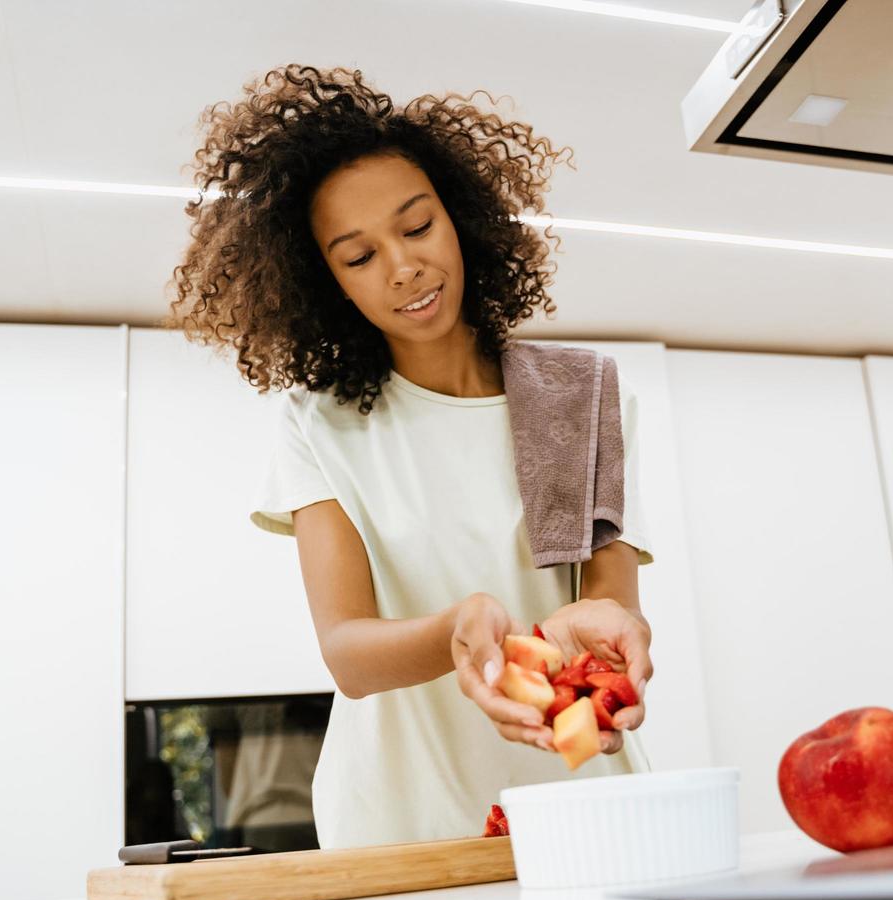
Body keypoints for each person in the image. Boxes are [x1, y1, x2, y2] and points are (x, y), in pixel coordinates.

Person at [163, 65, 656, 849]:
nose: (402, 267)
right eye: (358, 257)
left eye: (417, 227)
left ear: (460, 218)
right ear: (329, 285)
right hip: (400, 825)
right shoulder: (318, 425)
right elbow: (349, 653)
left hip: (579, 800)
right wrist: (457, 629)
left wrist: (604, 625)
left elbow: (607, 599)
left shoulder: (580, 393)